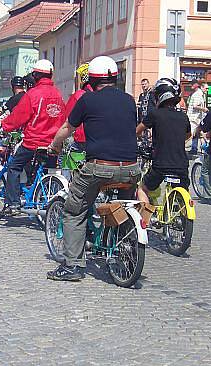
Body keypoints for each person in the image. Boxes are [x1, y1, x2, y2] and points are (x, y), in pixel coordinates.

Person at [46, 56, 141, 281]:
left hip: (100, 167)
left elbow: (68, 128)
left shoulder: (88, 101)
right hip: (131, 169)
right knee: (120, 207)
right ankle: (119, 245)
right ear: (115, 77)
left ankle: (72, 266)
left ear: (92, 79)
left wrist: (54, 145)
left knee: (74, 209)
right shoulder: (129, 100)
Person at [1, 59, 66, 214]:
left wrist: (5, 126)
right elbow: (63, 117)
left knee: (14, 167)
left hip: (34, 141)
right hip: (52, 143)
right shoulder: (58, 93)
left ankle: (14, 203)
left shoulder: (33, 94)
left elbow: (19, 116)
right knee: (47, 170)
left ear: (35, 76)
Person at [136, 78, 191, 205]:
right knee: (183, 191)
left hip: (160, 165)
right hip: (181, 166)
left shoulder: (155, 114)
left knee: (142, 189)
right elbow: (188, 135)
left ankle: (145, 222)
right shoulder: (183, 116)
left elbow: (137, 131)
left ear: (159, 95)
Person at [64, 63, 93, 151]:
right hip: (97, 138)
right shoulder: (100, 94)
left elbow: (67, 117)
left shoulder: (78, 95)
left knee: (62, 158)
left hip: (80, 138)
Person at [187, 81, 209, 155]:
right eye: (206, 88)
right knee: (191, 135)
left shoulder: (202, 94)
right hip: (193, 118)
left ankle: (196, 149)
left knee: (198, 134)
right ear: (202, 87)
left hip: (197, 118)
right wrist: (204, 109)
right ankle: (204, 148)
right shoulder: (198, 94)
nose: (207, 90)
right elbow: (195, 106)